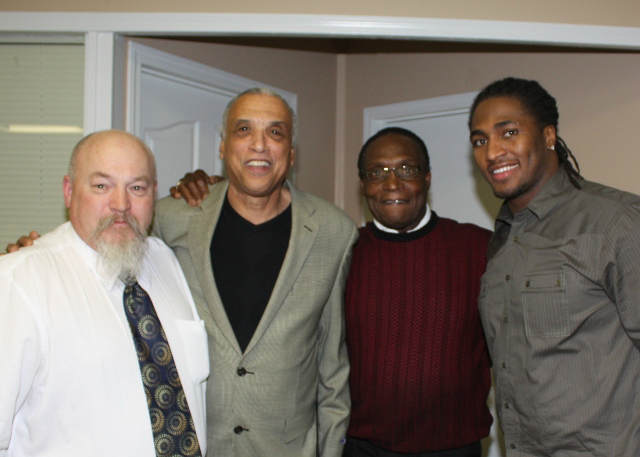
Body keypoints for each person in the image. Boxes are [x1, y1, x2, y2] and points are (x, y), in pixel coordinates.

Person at [153, 88, 357, 457]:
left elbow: (333, 371)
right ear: (223, 146)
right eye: (244, 129)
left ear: (291, 153)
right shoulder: (171, 218)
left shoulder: (333, 231)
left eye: (275, 132)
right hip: (195, 445)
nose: (259, 144)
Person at [0, 130, 208, 456]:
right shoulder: (19, 282)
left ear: (154, 193)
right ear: (69, 191)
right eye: (101, 186)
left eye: (137, 188)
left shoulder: (164, 260)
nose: (121, 205)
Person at [469, 76, 640, 456]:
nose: (492, 152)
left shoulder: (618, 222)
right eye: (479, 141)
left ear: (548, 136)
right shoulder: (501, 241)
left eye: (509, 132)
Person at [343, 127, 492, 457]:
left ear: (427, 178)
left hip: (454, 447)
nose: (391, 183)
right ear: (363, 184)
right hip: (362, 447)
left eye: (406, 169)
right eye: (377, 172)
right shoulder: (343, 254)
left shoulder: (479, 248)